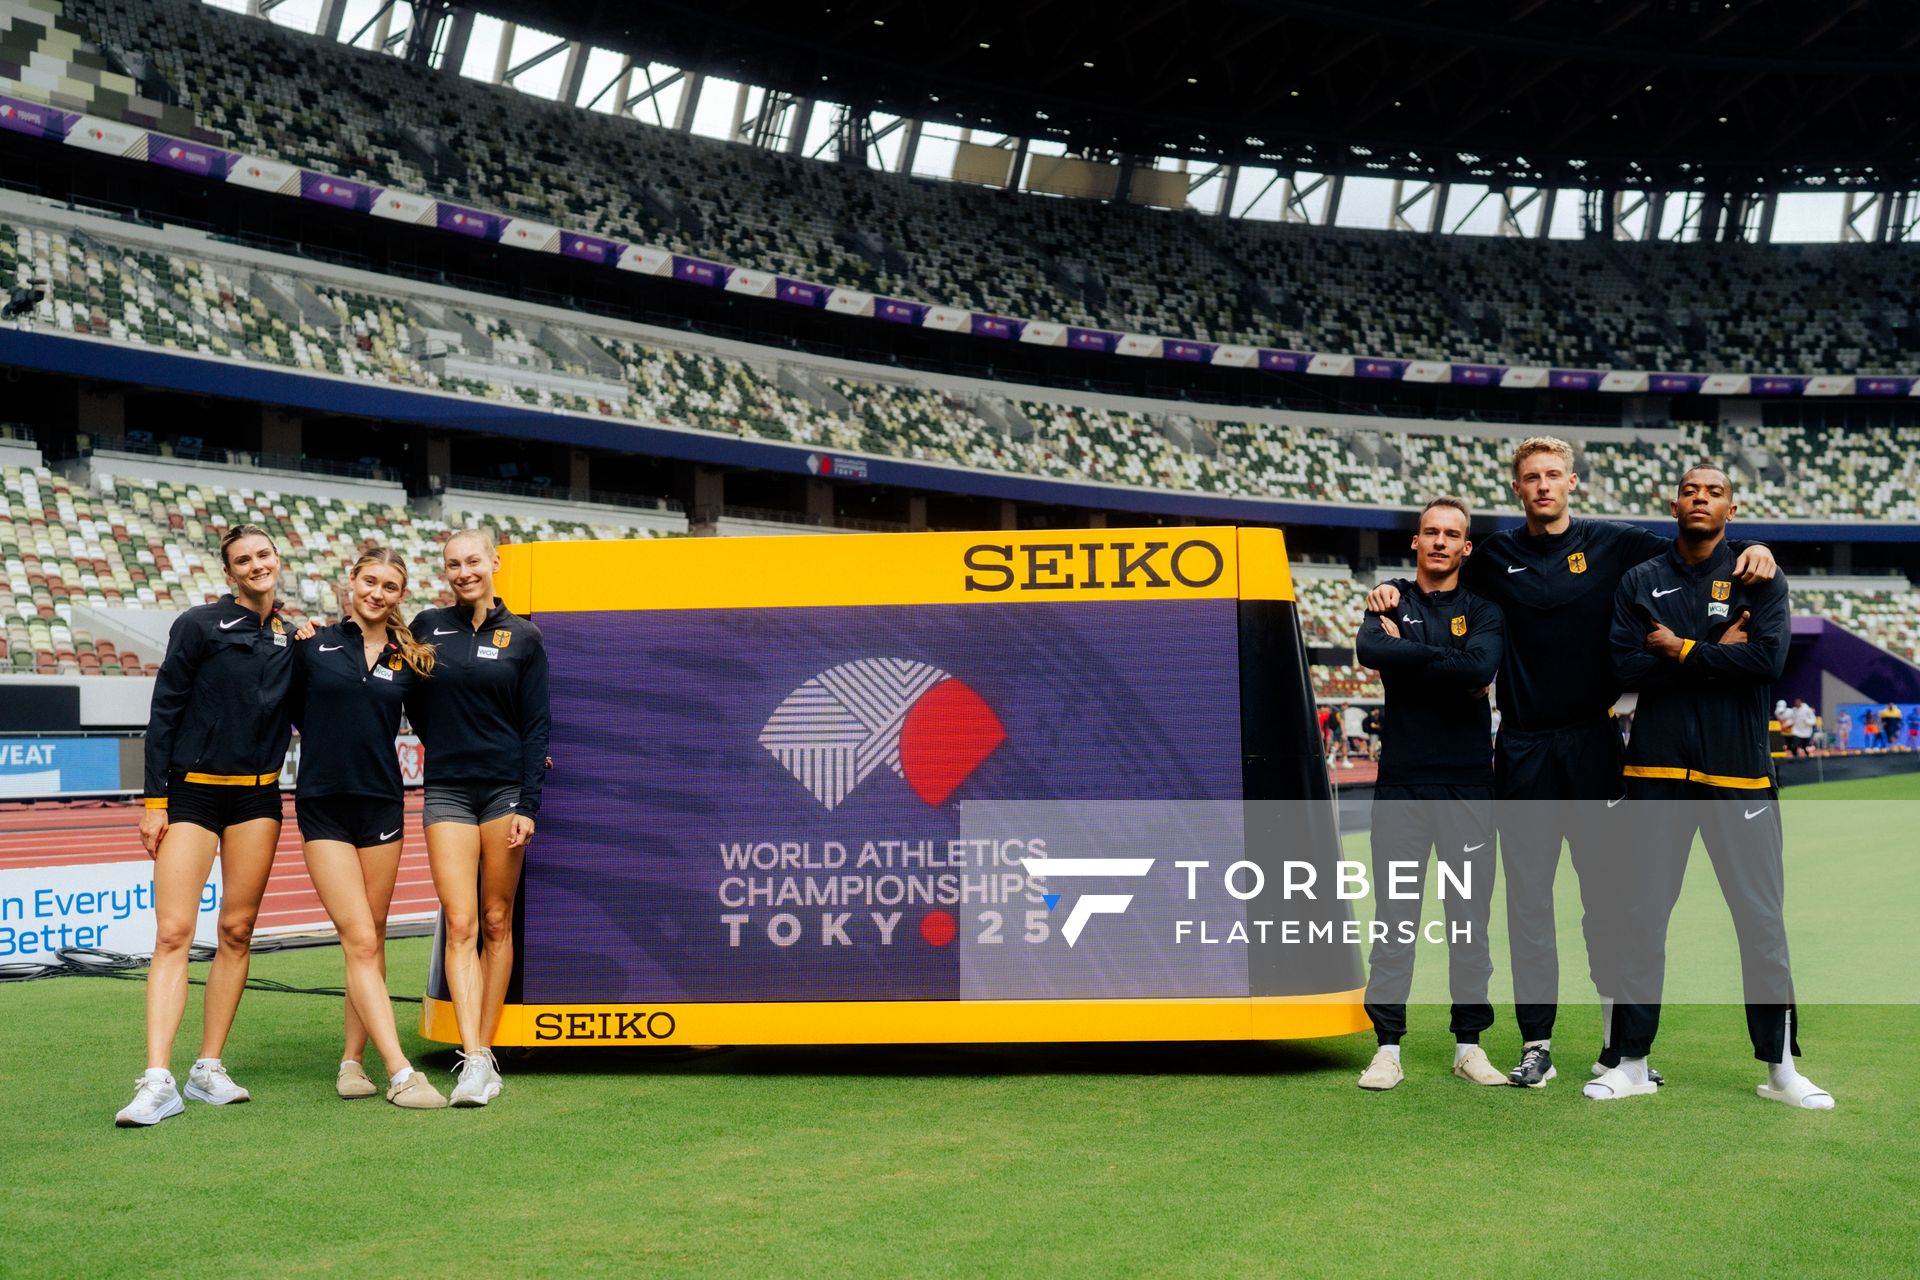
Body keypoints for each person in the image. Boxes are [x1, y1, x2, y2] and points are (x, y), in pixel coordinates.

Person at [1366, 436, 1776, 1088]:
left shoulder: (1617, 543)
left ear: (1572, 482)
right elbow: (1434, 575)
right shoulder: (1494, 555)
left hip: (1593, 743)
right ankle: (1537, 1043)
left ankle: (1622, 1042)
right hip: (1523, 748)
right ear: (1517, 488)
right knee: (1528, 904)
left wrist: (1754, 548)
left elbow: (1698, 546)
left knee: (1608, 901)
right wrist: (1389, 587)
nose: (1543, 485)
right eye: (1531, 476)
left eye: (1554, 474)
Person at [1601, 463, 1831, 1108]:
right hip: (1657, 773)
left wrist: (1679, 650)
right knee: (1641, 919)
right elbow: (1621, 665)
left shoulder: (1760, 575)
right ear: (1672, 503)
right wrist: (1711, 651)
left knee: (1762, 924)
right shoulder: (1641, 580)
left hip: (1741, 774)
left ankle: (1782, 1070)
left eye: (1715, 492)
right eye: (1690, 490)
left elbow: (1766, 660)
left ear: (1732, 508)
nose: (1700, 499)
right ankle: (1633, 1063)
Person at [116, 525, 297, 1127]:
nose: (255, 565)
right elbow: (164, 709)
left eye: (263, 555)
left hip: (257, 801)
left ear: (278, 559)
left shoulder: (293, 636)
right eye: (243, 559)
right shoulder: (197, 625)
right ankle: (157, 1079)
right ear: (229, 573)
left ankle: (208, 1068)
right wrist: (153, 801)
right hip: (191, 797)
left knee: (238, 931)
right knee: (173, 933)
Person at [1352, 498, 1508, 1091]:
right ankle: (1387, 1048)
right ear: (1415, 542)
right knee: (1395, 920)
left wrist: (1416, 659)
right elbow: (1373, 652)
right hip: (1402, 785)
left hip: (1469, 785)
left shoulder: (1485, 610)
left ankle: (1468, 1046)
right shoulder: (1389, 598)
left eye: (1453, 535)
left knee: (1469, 921)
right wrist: (1453, 664)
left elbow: (1481, 668)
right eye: (1431, 532)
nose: (1441, 542)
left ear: (1467, 548)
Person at [291, 549, 447, 1109]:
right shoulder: (310, 644)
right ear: (350, 582)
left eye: (391, 586)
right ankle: (400, 1071)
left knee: (372, 938)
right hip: (324, 807)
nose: (378, 593)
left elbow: (441, 727)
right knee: (358, 938)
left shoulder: (411, 658)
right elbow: (275, 708)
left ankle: (350, 1062)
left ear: (401, 596)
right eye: (370, 581)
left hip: (382, 806)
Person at [411, 529, 551, 1107]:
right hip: (446, 789)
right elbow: (406, 694)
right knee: (461, 922)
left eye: (473, 561)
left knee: (496, 921)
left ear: (494, 562)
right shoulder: (425, 625)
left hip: (504, 794)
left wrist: (528, 804)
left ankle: (485, 1054)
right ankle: (472, 1059)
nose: (463, 571)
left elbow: (535, 725)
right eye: (452, 564)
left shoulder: (524, 636)